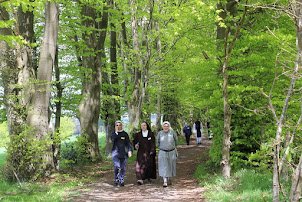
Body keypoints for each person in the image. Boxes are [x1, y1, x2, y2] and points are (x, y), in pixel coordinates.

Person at [111, 121, 133, 187]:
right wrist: (116, 133)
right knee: (117, 166)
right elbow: (112, 140)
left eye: (119, 125)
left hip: (123, 153)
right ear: (115, 126)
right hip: (115, 153)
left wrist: (129, 151)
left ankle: (122, 180)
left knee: (123, 168)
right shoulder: (114, 134)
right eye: (117, 125)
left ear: (121, 126)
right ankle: (116, 180)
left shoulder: (125, 134)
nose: (118, 126)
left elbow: (128, 143)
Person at [157, 121, 178, 187]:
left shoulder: (172, 132)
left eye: (167, 126)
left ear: (169, 126)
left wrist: (173, 147)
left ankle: (169, 178)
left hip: (171, 151)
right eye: (164, 126)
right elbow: (157, 142)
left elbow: (176, 140)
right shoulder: (160, 133)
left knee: (170, 165)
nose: (166, 127)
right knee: (164, 166)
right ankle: (165, 181)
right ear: (162, 127)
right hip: (163, 152)